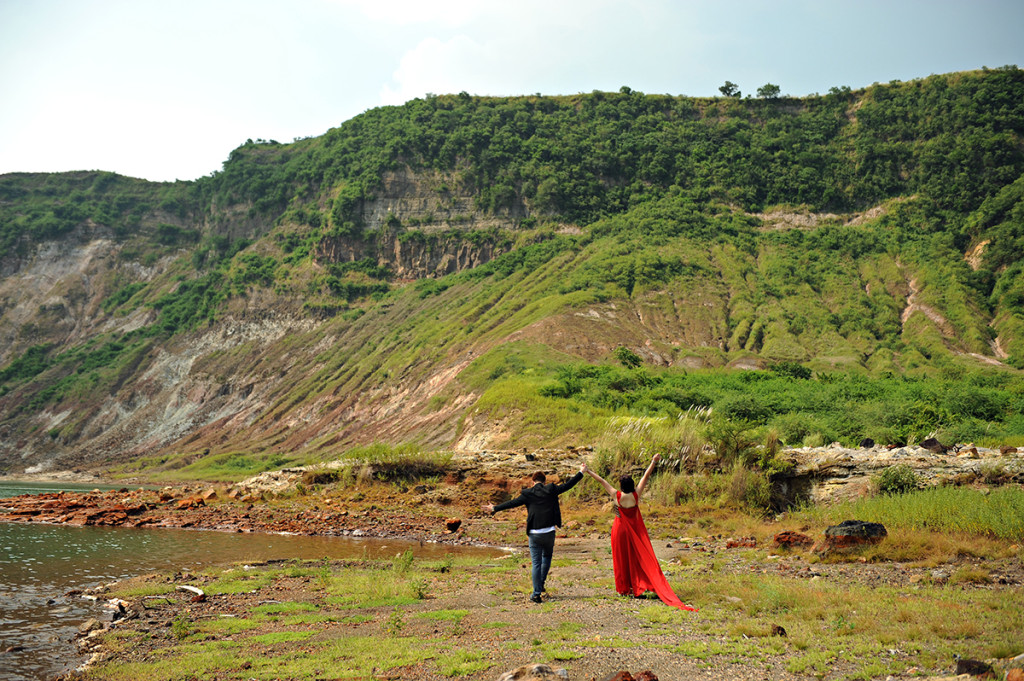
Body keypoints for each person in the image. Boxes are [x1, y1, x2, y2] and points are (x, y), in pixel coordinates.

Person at [583, 454, 697, 611]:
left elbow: (602, 481)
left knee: (621, 558)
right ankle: (638, 586)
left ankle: (624, 589)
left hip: (620, 530)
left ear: (621, 486)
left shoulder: (617, 495)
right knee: (636, 558)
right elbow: (646, 475)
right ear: (632, 485)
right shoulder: (636, 495)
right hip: (635, 531)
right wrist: (653, 461)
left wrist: (588, 471)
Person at [485, 465, 585, 603]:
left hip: (534, 533)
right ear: (544, 481)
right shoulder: (551, 489)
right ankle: (541, 584)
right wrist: (581, 472)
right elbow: (568, 485)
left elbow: (512, 503)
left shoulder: (527, 493)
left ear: (533, 482)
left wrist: (495, 508)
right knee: (547, 557)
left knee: (536, 563)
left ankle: (536, 593)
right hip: (549, 532)